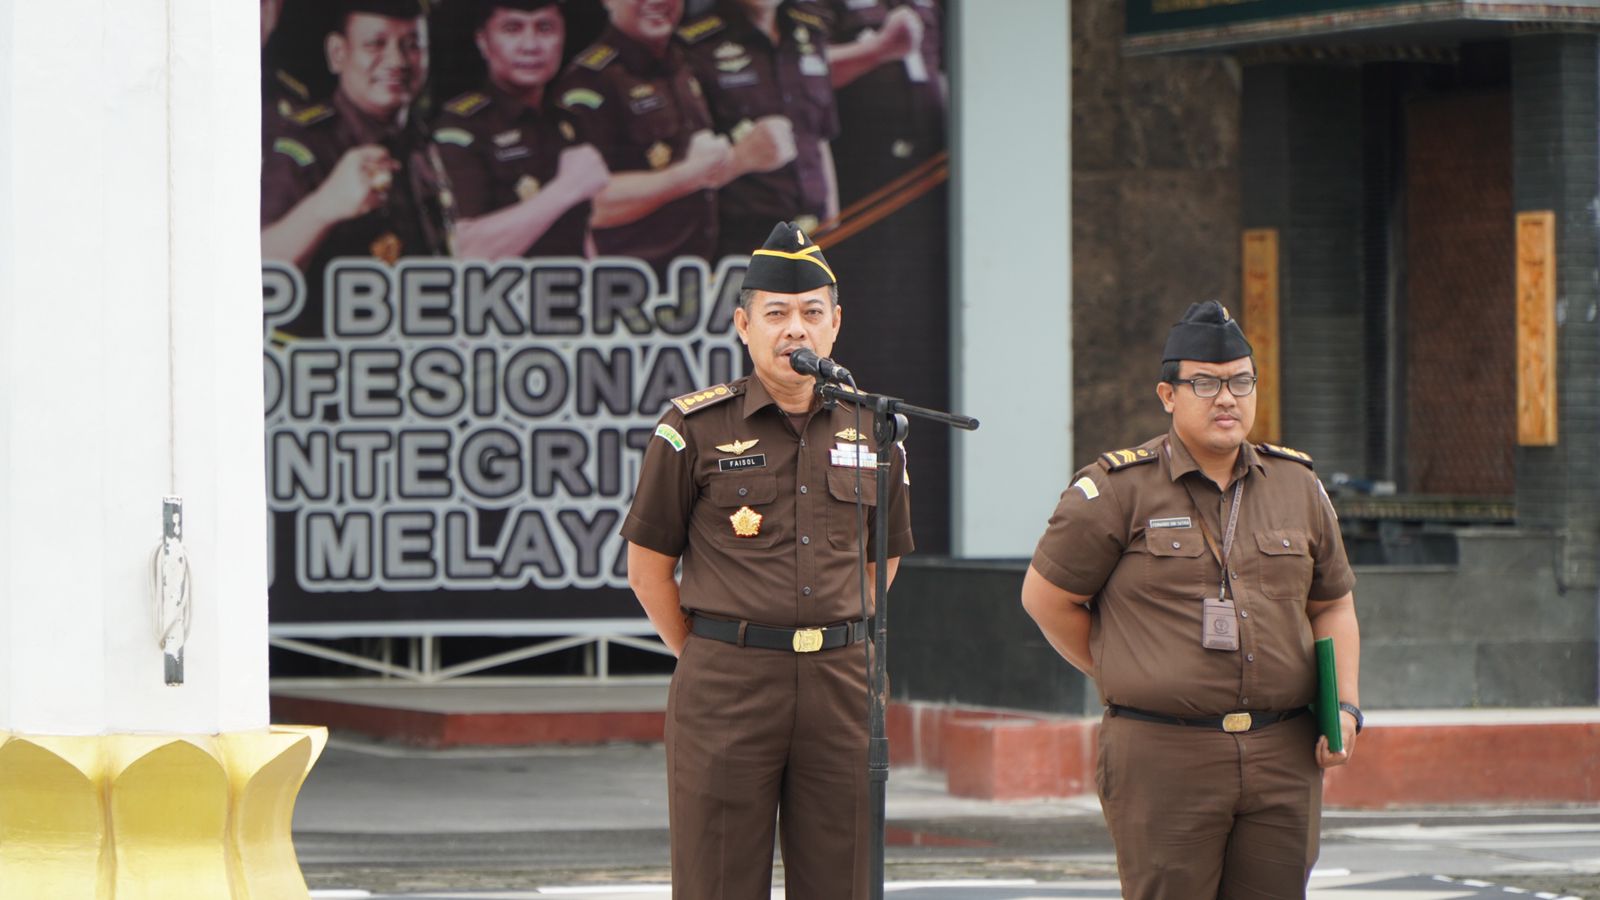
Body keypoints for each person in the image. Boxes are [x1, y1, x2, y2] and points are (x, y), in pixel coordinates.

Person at [1019, 300, 1363, 899]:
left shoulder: (1297, 486)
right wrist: (1121, 666)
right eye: (1204, 382)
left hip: (1282, 750)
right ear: (1168, 394)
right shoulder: (1115, 490)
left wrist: (1347, 708)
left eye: (1240, 381)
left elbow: (1331, 604)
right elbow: (1046, 598)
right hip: (1165, 753)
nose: (1226, 398)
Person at [621, 221, 912, 898]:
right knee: (718, 876)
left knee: (842, 877)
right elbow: (647, 567)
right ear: (742, 325)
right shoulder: (692, 428)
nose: (795, 331)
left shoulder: (874, 430)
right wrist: (708, 652)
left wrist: (839, 630)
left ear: (835, 326)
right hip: (729, 680)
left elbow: (882, 563)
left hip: (841, 681)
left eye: (812, 314)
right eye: (776, 314)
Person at [553, 0, 795, 277]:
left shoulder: (683, 61)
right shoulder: (589, 82)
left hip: (702, 273)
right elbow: (588, 206)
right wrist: (724, 164)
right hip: (633, 282)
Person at [261, 0, 449, 334]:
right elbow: (254, 272)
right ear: (338, 54)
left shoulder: (425, 141)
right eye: (376, 44)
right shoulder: (304, 144)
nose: (397, 61)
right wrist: (323, 207)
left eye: (412, 45)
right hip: (330, 361)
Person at [432, 0, 611, 259]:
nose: (531, 46)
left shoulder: (568, 122)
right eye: (512, 29)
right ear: (483, 41)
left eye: (545, 28)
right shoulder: (460, 129)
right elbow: (465, 251)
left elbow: (579, 232)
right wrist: (566, 188)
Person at [679, 0, 838, 259]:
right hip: (743, 239)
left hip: (815, 233)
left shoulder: (811, 32)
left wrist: (833, 220)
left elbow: (820, 136)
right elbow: (690, 164)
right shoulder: (696, 44)